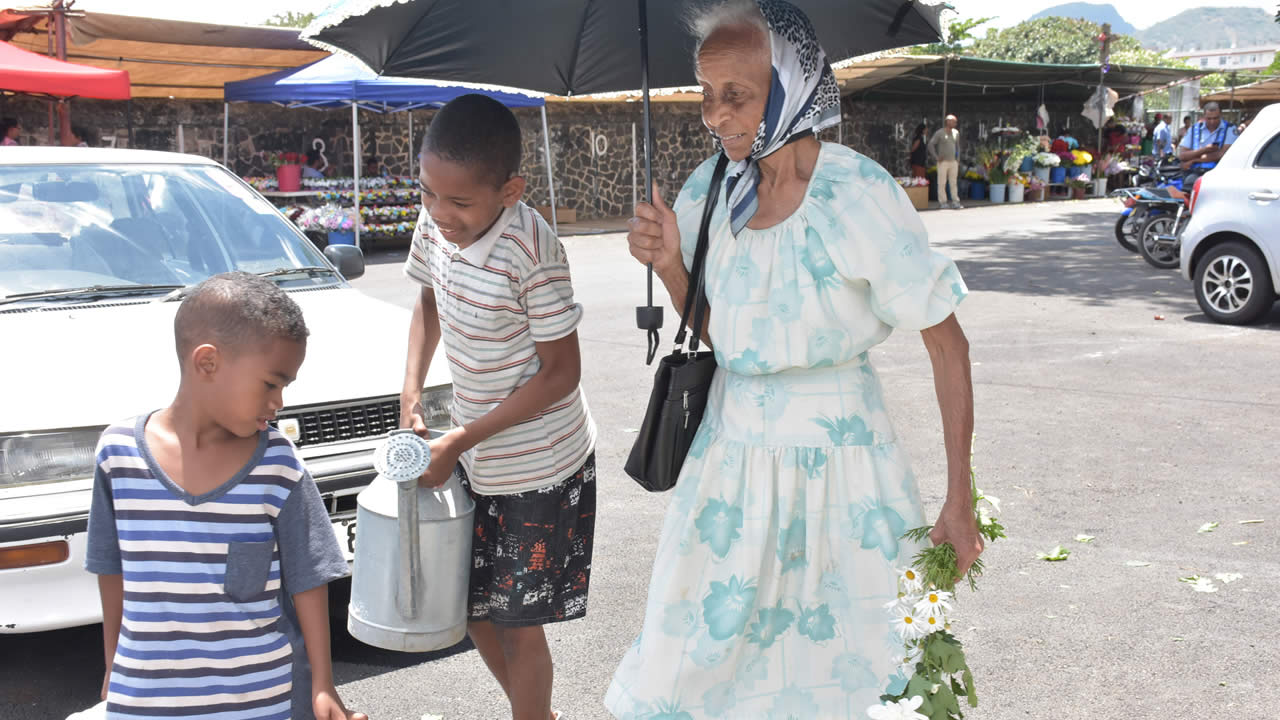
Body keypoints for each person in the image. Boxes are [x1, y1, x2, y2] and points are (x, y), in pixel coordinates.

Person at [605, 1, 980, 717]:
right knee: (701, 669)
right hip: (730, 469)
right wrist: (670, 266)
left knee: (863, 670)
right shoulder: (709, 191)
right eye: (707, 95)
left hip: (846, 475)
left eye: (736, 96)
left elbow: (947, 343)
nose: (715, 116)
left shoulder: (855, 192)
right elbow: (724, 337)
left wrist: (958, 498)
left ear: (792, 85)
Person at [84, 272, 366, 720]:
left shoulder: (279, 463)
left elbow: (309, 578)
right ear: (208, 363)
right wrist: (112, 665)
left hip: (260, 701)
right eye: (271, 384)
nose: (278, 402)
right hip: (145, 702)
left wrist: (323, 684)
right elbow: (109, 569)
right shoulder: (117, 455)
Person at [400, 93, 596, 720]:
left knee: (516, 623)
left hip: (541, 464)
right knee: (470, 609)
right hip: (475, 452)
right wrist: (411, 390)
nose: (439, 213)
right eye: (428, 192)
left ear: (510, 190)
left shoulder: (532, 250)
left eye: (459, 202)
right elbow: (429, 300)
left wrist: (460, 439)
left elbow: (562, 372)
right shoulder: (434, 222)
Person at [1179, 101, 1237, 184]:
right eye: (1209, 118)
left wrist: (1193, 160)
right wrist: (1205, 150)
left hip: (1219, 175)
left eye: (1215, 118)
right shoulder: (1193, 129)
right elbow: (1183, 156)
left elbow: (1222, 155)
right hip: (1194, 173)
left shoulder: (1230, 129)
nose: (1212, 122)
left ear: (1221, 115)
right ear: (1204, 116)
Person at [929, 114, 962, 208]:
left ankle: (955, 201)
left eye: (955, 121)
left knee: (953, 182)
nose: (955, 123)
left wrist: (958, 158)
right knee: (942, 182)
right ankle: (943, 202)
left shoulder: (956, 132)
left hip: (953, 162)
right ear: (947, 121)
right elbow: (931, 144)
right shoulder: (940, 133)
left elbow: (958, 146)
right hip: (943, 162)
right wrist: (936, 157)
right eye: (953, 121)